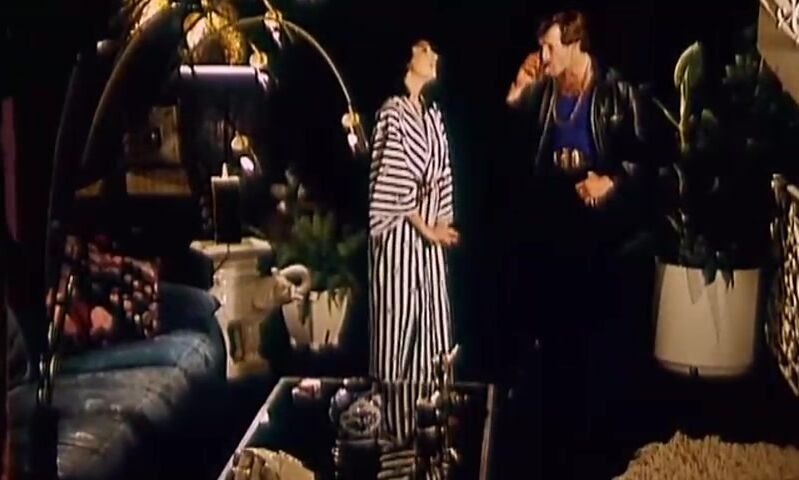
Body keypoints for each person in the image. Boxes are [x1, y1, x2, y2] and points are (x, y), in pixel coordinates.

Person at [504, 10, 653, 476]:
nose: (543, 55)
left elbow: (647, 163)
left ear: (575, 45)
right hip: (552, 229)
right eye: (541, 47)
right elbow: (510, 150)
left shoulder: (615, 92)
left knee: (595, 348)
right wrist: (517, 90)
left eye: (550, 46)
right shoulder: (544, 90)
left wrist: (610, 181)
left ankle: (598, 447)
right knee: (552, 350)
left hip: (600, 236)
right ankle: (553, 445)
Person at [368, 38, 459, 447]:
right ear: (407, 58)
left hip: (429, 242)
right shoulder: (392, 113)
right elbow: (392, 183)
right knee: (399, 327)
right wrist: (426, 228)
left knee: (433, 331)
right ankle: (393, 431)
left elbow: (443, 174)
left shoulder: (431, 113)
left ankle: (431, 428)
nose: (434, 56)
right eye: (425, 50)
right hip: (400, 238)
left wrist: (441, 223)